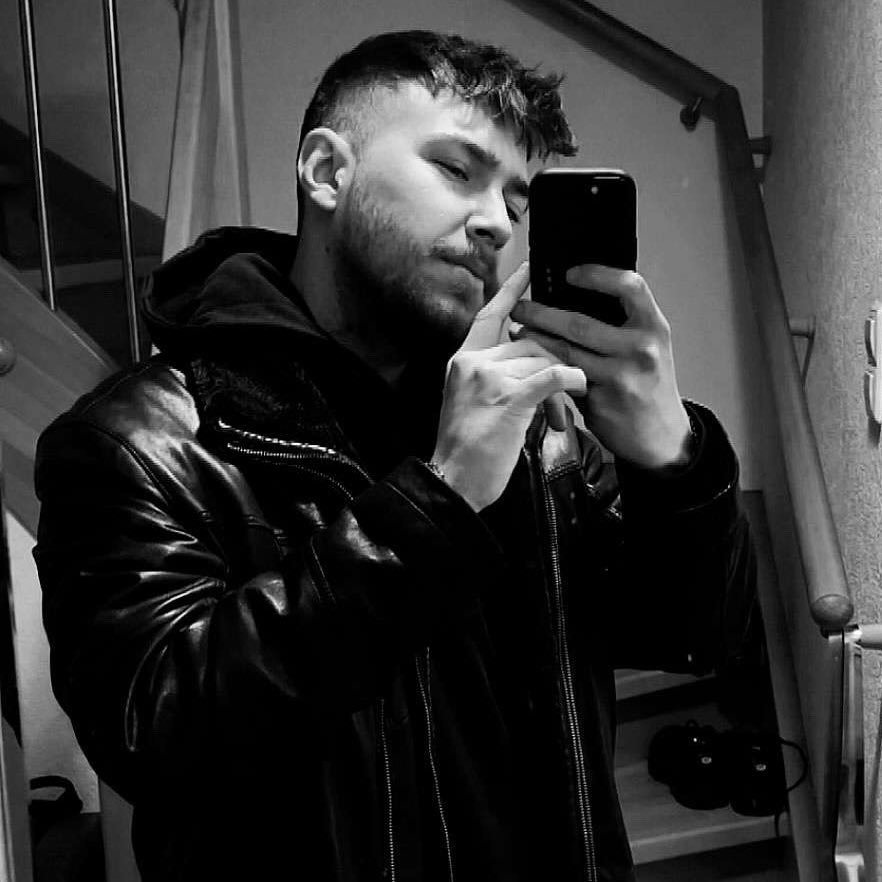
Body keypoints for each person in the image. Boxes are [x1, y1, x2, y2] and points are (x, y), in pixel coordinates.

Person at [33, 30, 756, 882]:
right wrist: (439, 501)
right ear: (326, 172)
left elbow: (689, 635)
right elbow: (155, 734)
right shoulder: (134, 443)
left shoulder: (543, 433)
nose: (496, 223)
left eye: (517, 202)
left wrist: (672, 459)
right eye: (456, 169)